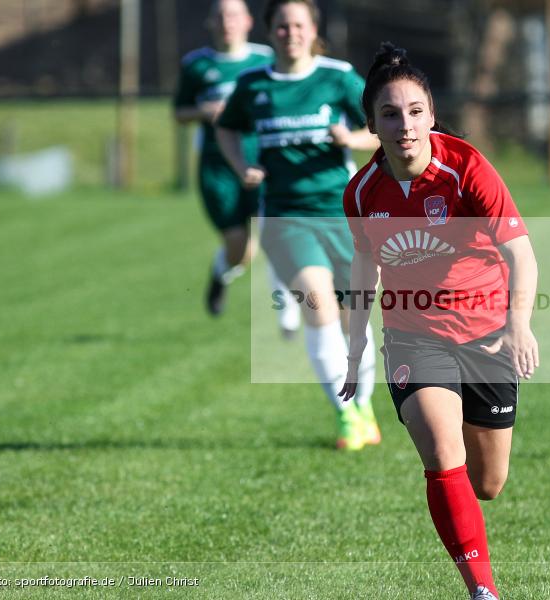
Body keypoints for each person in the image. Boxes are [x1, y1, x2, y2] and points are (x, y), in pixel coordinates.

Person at [339, 43, 539, 600]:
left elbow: (521, 253)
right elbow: (364, 264)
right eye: (389, 114)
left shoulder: (467, 168)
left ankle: (468, 522)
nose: (404, 125)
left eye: (415, 112)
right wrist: (355, 347)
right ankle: (482, 591)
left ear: (431, 115)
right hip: (413, 336)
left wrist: (519, 324)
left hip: (487, 334)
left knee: (488, 483)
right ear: (371, 125)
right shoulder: (361, 193)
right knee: (442, 454)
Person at [215, 0, 382, 450]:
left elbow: (383, 126)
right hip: (285, 218)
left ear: (313, 29)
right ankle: (345, 415)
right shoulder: (253, 84)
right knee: (317, 306)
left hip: (343, 216)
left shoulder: (338, 77)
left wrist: (352, 138)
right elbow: (226, 128)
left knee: (354, 322)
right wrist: (241, 166)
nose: (291, 33)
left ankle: (364, 406)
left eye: (298, 25)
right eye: (282, 26)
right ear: (270, 31)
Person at [174, 0, 300, 332]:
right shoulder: (197, 65)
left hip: (262, 162)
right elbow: (179, 112)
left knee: (275, 235)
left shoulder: (265, 60)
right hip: (218, 167)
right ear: (210, 22)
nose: (226, 22)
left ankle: (286, 308)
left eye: (233, 15)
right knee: (240, 250)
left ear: (247, 21)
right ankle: (220, 273)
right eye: (219, 16)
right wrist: (203, 111)